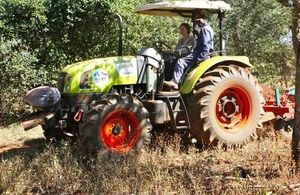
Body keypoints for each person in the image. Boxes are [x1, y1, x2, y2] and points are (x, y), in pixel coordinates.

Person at [164, 12, 214, 90]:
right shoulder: (207, 28)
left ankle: (175, 82)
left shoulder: (205, 29)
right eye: (196, 22)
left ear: (203, 19)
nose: (198, 23)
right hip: (199, 53)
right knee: (169, 61)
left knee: (181, 61)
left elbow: (206, 45)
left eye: (199, 21)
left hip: (199, 54)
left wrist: (201, 58)